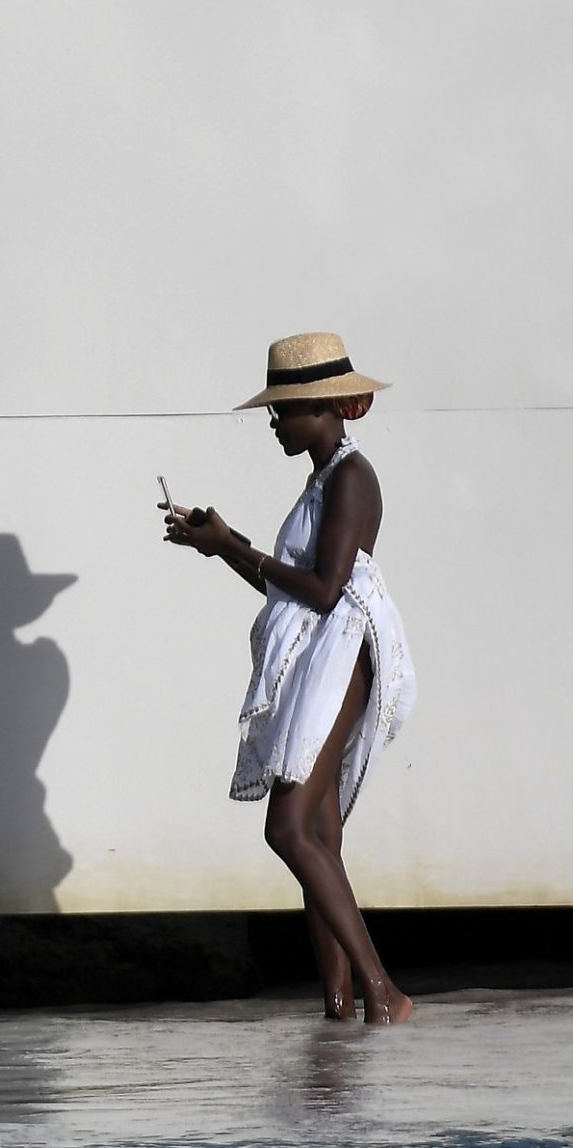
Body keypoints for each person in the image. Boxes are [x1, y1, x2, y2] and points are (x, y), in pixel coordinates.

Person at [163, 333, 416, 1024]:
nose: (274, 422)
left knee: (288, 828)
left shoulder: (352, 477)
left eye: (283, 410)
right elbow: (290, 592)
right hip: (320, 659)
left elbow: (327, 589)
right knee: (319, 838)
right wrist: (218, 548)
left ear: (323, 408)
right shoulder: (323, 479)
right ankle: (338, 1004)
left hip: (340, 660)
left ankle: (383, 992)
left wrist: (233, 545)